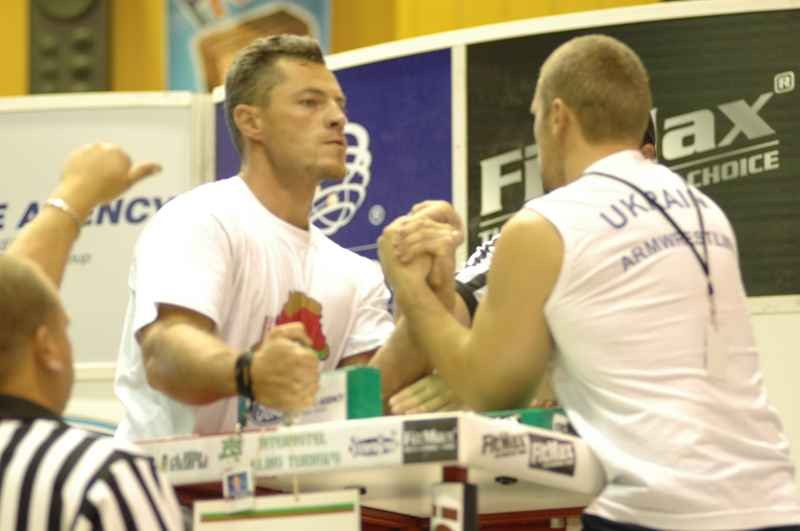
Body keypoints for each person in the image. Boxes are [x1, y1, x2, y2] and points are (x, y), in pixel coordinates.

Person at [378, 35, 800, 529]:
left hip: (661, 512)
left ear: (558, 117)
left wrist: (407, 285)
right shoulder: (704, 212)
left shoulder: (546, 224)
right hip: (774, 502)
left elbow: (488, 388)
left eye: (535, 118)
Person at [114, 34, 411, 441]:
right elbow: (164, 354)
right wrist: (249, 373)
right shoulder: (201, 218)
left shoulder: (358, 274)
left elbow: (368, 404)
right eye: (310, 102)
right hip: (165, 495)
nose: (337, 118)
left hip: (290, 498)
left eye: (339, 104)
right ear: (251, 121)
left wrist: (425, 295)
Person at [385, 117, 660, 414]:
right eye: (564, 151)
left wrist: (487, 382)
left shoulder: (695, 236)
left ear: (646, 159)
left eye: (597, 155)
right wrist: (430, 274)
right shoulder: (537, 234)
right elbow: (434, 339)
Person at [0, 143, 183, 529]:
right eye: (65, 329)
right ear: (47, 346)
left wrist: (75, 193)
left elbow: (12, 303)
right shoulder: (104, 475)